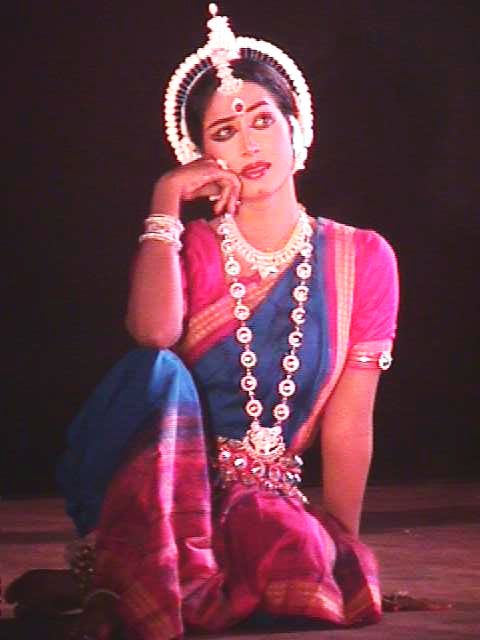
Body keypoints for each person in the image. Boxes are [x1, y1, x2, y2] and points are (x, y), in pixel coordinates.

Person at [6, 5, 399, 639]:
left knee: (297, 558)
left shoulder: (362, 258)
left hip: (268, 498)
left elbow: (351, 420)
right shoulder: (187, 248)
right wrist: (165, 198)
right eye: (224, 131)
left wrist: (344, 547)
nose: (249, 143)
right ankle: (118, 572)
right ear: (201, 154)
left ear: (297, 129)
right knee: (159, 370)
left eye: (263, 120)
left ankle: (109, 585)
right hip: (165, 485)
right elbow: (152, 339)